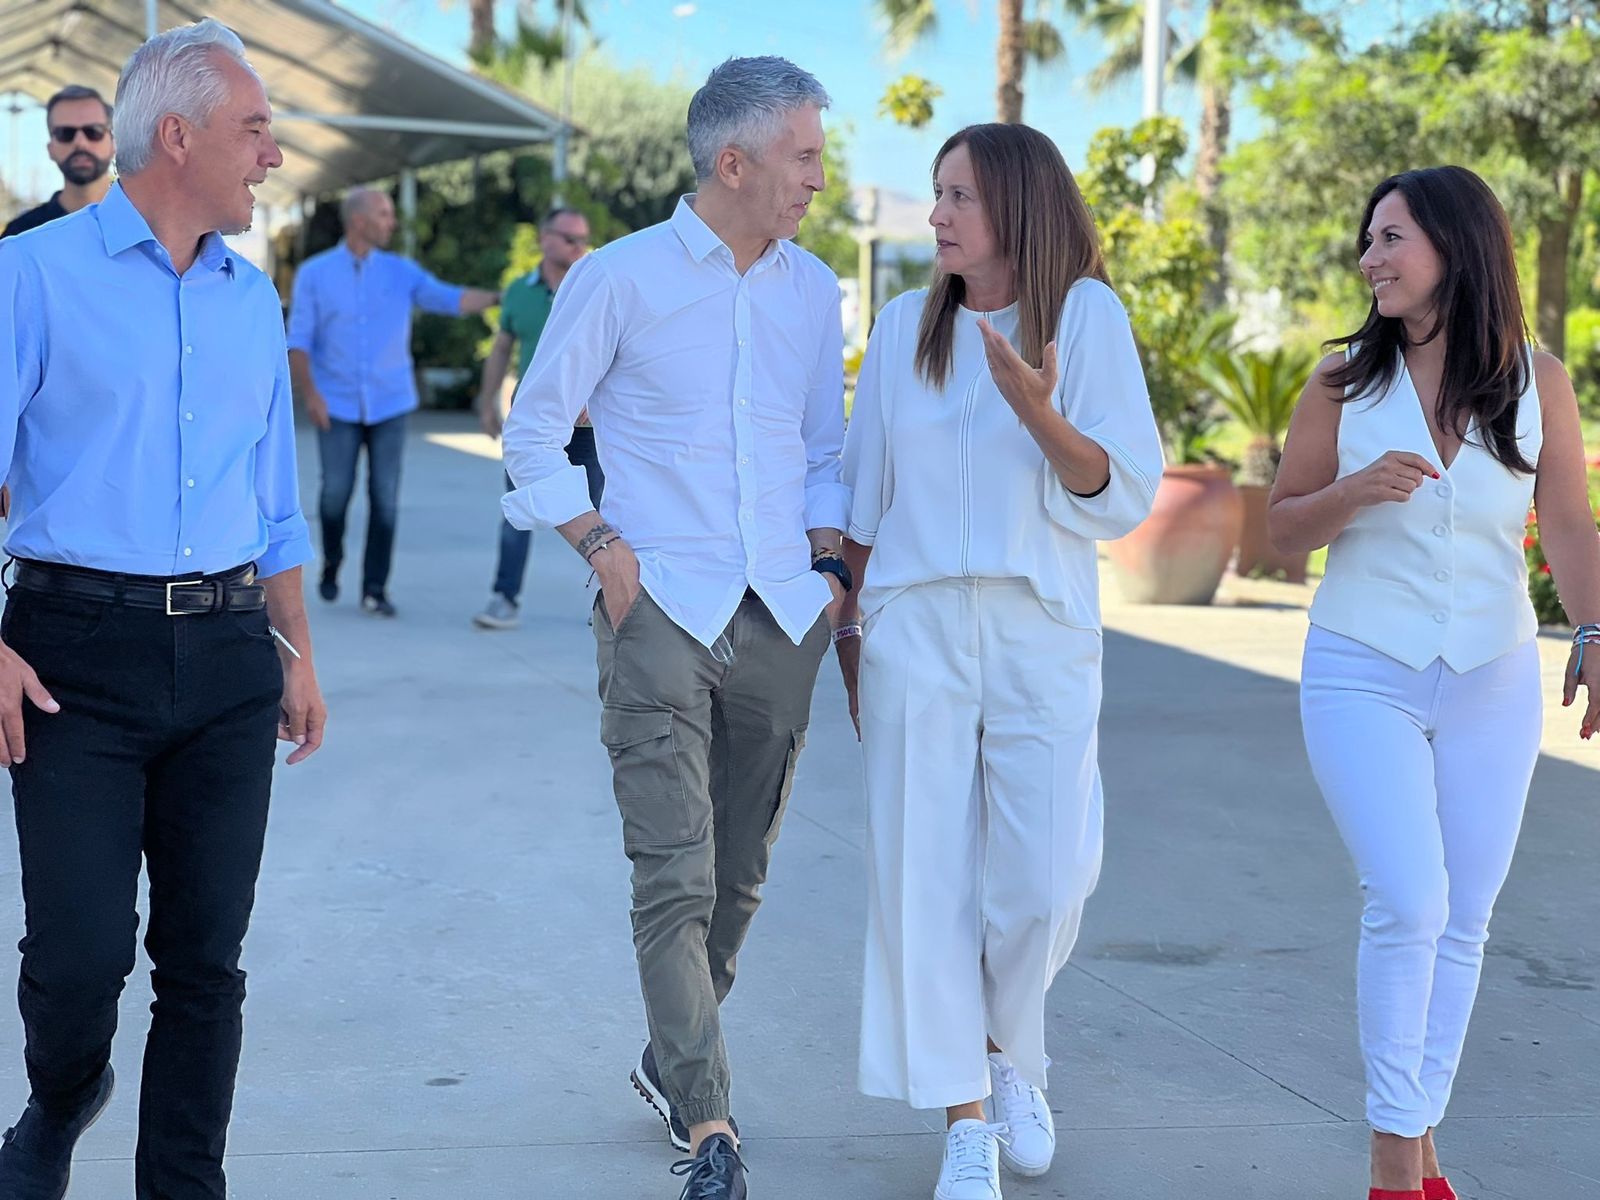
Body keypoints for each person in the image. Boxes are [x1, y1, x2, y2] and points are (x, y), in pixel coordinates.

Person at [501, 55, 848, 1200]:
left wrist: (832, 566)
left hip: (780, 614)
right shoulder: (620, 276)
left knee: (739, 879)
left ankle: (668, 1057)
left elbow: (823, 451)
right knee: (675, 879)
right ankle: (709, 1125)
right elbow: (532, 435)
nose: (817, 176)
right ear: (733, 161)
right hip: (657, 612)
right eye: (802, 154)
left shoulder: (813, 290)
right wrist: (604, 553)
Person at [0, 19, 327, 1200]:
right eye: (257, 131)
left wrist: (295, 652)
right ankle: (59, 1093)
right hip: (72, 658)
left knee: (204, 963)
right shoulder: (30, 274)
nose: (273, 157)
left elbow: (273, 500)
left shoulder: (253, 298)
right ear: (177, 136)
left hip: (233, 653)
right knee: (80, 959)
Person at [836, 123, 1162, 1200]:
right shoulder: (899, 328)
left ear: (1015, 207)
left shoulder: (1088, 319)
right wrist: (849, 631)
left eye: (955, 196)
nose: (935, 215)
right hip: (916, 626)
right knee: (921, 877)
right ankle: (965, 1118)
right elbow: (861, 496)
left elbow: (1119, 494)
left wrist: (1036, 409)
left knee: (1044, 878)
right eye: (935, 194)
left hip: (1041, 625)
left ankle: (1011, 1051)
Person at [1268, 166, 1600, 1200]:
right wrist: (1356, 490)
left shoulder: (1537, 379)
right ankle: (1389, 1163)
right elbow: (1279, 532)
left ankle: (1417, 1155)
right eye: (1366, 240)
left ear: (1456, 245)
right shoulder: (1337, 382)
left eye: (1390, 237)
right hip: (1360, 667)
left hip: (1492, 671)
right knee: (1409, 900)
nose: (1370, 258)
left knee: (1465, 917)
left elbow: (1570, 526)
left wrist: (1592, 630)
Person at [287, 187, 500, 617]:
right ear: (359, 220)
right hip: (337, 404)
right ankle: (331, 565)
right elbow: (298, 342)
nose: (392, 222)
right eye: (384, 214)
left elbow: (450, 298)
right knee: (334, 496)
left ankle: (374, 589)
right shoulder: (314, 274)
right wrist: (310, 395)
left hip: (390, 404)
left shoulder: (400, 272)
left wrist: (502, 298)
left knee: (384, 499)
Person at [473, 207, 598, 630]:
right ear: (546, 239)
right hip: (536, 425)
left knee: (608, 514)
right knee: (518, 513)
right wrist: (488, 399)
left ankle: (618, 599)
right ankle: (504, 598)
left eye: (583, 239)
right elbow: (503, 347)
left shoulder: (598, 285)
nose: (579, 247)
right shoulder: (519, 292)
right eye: (570, 238)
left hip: (590, 426)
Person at [1, 86, 115, 240]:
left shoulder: (146, 224)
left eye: (93, 131)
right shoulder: (21, 235)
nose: (80, 143)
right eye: (65, 134)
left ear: (113, 143)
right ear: (50, 149)